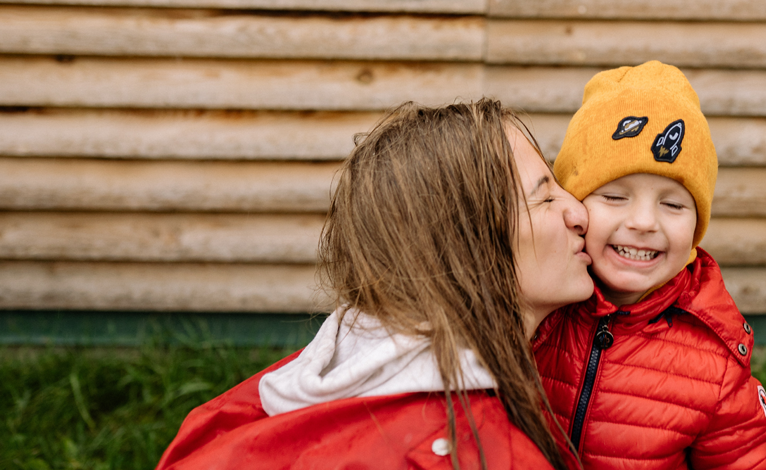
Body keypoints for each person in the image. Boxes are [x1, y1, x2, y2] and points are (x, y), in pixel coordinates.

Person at [156, 99, 594, 470]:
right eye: (545, 197)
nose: (579, 213)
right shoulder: (482, 452)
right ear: (467, 245)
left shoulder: (289, 389)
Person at [532, 61, 766, 469]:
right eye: (615, 197)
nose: (644, 223)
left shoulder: (714, 362)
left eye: (672, 204)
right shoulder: (536, 306)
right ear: (574, 205)